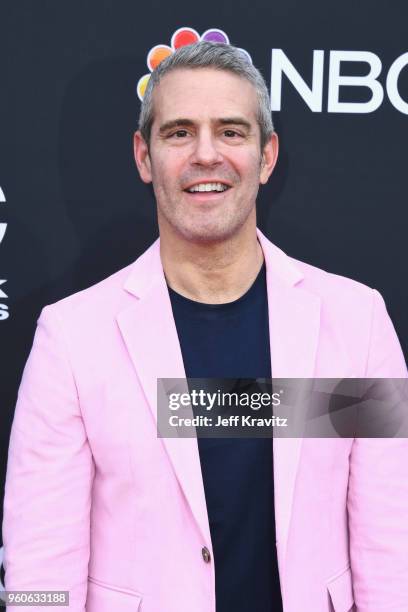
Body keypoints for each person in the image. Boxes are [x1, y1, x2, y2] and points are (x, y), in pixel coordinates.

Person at [2, 41, 408, 612]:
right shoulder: (71, 340)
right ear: (144, 157)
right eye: (179, 132)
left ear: (267, 157)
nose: (206, 155)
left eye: (232, 132)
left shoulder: (356, 324)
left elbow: (392, 547)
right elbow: (36, 576)